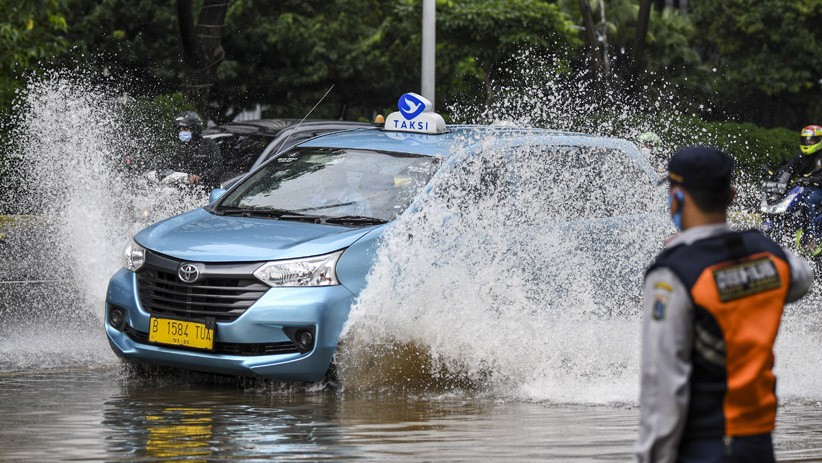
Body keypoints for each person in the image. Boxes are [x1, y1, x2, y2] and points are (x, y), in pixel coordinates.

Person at [636, 146, 813, 463]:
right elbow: (802, 278)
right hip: (758, 445)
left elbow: (662, 382)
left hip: (703, 446)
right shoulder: (766, 253)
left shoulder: (673, 273)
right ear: (731, 196)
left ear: (676, 197)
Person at [769, 125, 822, 252]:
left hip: (819, 189)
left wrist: (812, 180)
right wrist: (775, 176)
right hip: (802, 187)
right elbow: (787, 169)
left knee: (808, 202)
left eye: (811, 140)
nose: (808, 142)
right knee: (783, 203)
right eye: (806, 140)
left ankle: (811, 237)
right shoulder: (801, 157)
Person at [167, 111, 223, 188]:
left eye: (185, 129)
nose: (182, 132)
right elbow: (168, 163)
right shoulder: (180, 148)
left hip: (207, 192)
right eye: (180, 129)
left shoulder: (208, 144)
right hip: (186, 193)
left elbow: (218, 168)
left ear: (195, 129)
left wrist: (200, 176)